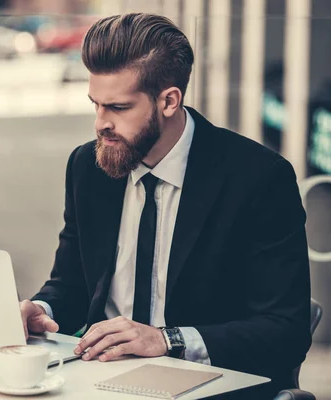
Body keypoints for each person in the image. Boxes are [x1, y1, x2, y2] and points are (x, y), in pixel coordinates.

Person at [19, 13, 311, 398]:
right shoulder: (87, 168)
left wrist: (165, 339)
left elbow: (284, 330)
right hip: (98, 381)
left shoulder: (258, 178)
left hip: (209, 384)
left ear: (169, 101)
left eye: (118, 108)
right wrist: (44, 310)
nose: (100, 124)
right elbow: (72, 285)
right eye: (96, 105)